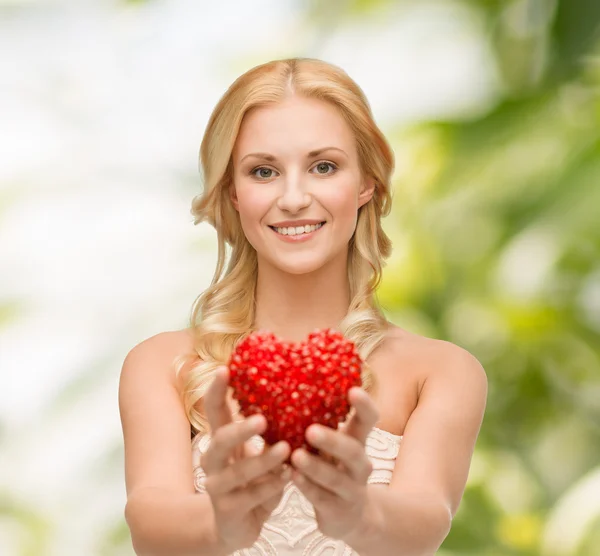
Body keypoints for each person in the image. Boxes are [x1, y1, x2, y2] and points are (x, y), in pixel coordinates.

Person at [118, 58, 488, 556]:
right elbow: (150, 523)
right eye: (263, 171)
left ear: (366, 183)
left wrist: (358, 514)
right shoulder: (163, 364)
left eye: (323, 166)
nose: (293, 198)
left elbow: (425, 521)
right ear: (233, 191)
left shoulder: (442, 371)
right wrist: (221, 523)